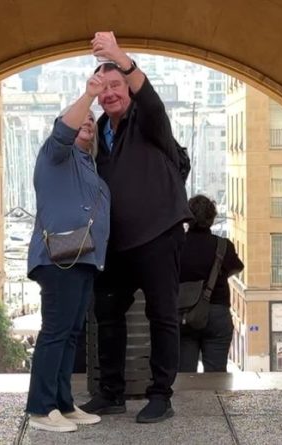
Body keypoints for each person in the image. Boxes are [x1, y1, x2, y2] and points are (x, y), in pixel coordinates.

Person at [79, 32, 193, 424]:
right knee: (106, 312)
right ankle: (109, 393)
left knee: (162, 314)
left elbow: (150, 98)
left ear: (128, 87)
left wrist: (119, 57)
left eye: (117, 85)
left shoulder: (148, 122)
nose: (110, 93)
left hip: (159, 235)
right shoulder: (97, 133)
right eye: (102, 88)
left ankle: (161, 395)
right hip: (116, 242)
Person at [25, 72, 110, 432]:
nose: (87, 122)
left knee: (71, 332)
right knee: (56, 330)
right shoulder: (55, 155)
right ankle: (42, 409)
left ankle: (62, 403)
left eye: (92, 120)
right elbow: (63, 130)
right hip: (59, 256)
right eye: (82, 120)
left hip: (84, 258)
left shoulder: (88, 165)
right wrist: (89, 95)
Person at [178, 195, 243, 373]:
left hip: (185, 315)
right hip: (217, 313)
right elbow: (236, 267)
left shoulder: (177, 245)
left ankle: (187, 401)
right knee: (216, 375)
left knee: (184, 374)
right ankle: (215, 401)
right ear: (212, 218)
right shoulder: (223, 246)